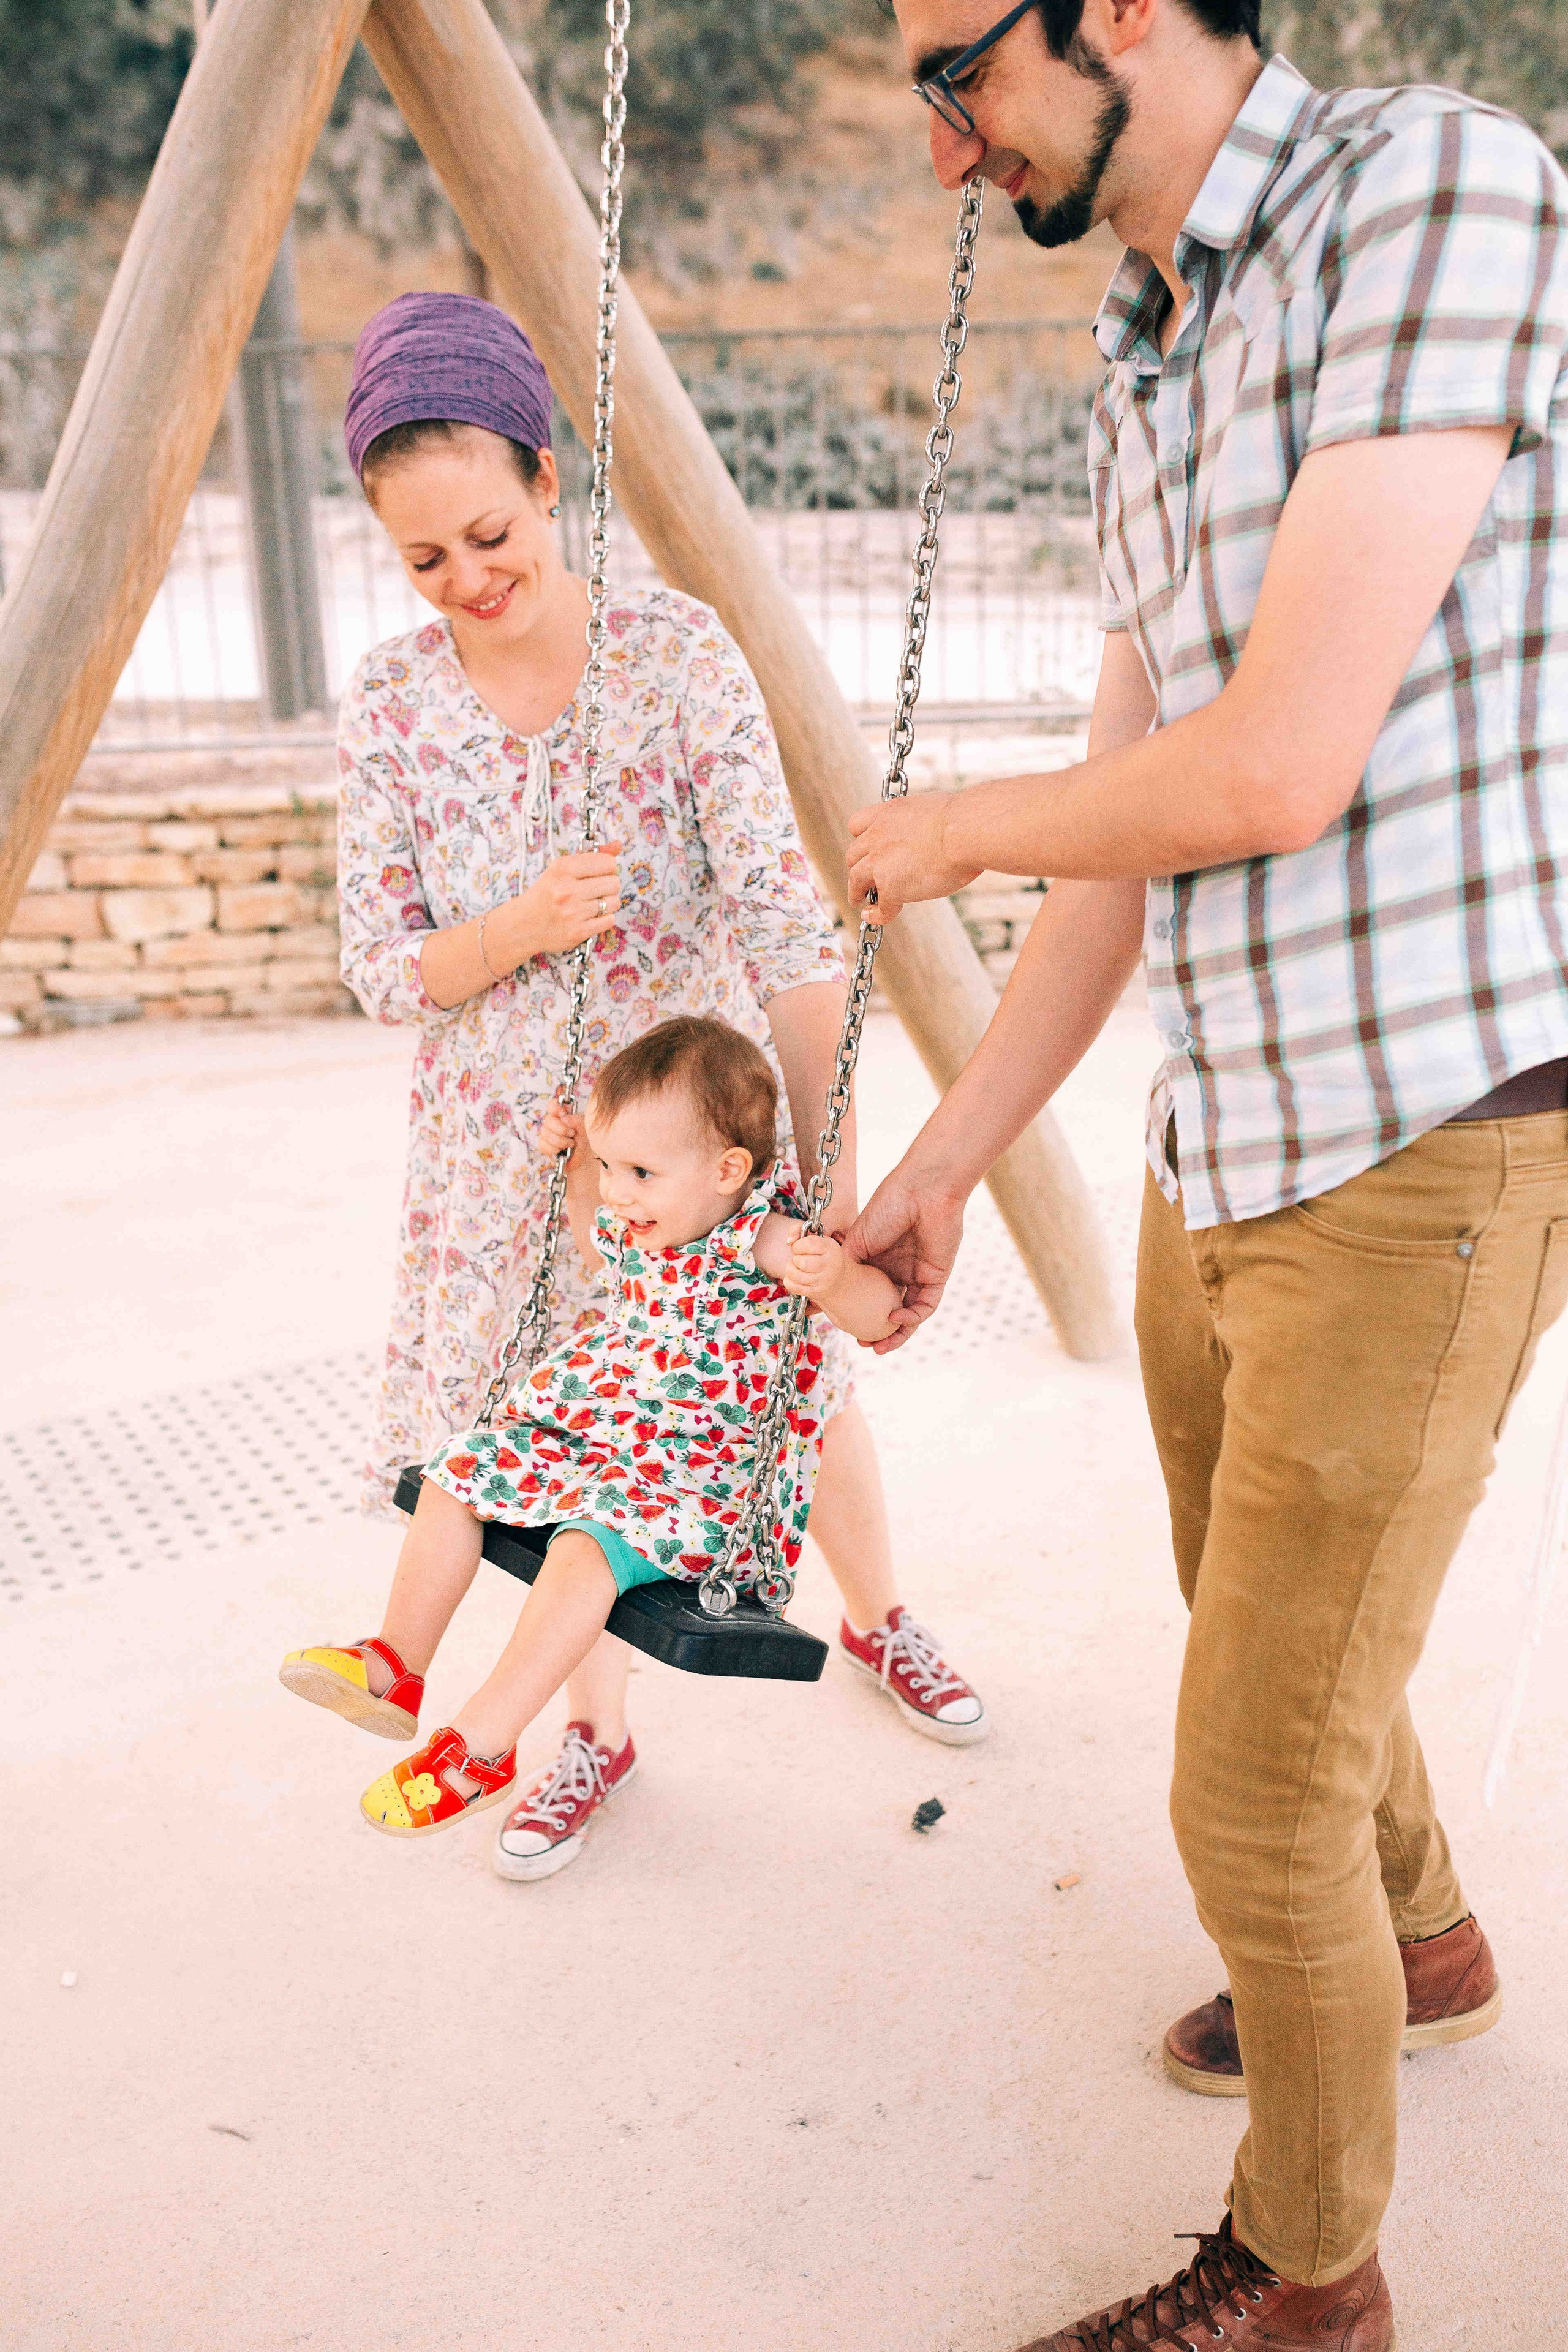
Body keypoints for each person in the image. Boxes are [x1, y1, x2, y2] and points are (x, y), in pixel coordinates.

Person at [850, 2, 1568, 2345]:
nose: (944, 147)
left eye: (959, 73)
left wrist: (943, 820)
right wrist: (944, 1160)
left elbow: (1274, 771)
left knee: (1250, 1791)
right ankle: (1416, 1945)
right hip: (1228, 1124)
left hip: (1430, 1132)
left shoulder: (1429, 193)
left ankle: (1308, 2280)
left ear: (1122, 9)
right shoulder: (1148, 337)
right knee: (1263, 1642)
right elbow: (1121, 858)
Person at [333, 292, 986, 1876]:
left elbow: (786, 921)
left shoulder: (671, 654)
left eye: (490, 534)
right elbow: (379, 963)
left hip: (689, 1139)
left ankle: (880, 1616)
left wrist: (828, 1170)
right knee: (557, 1448)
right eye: (426, 562)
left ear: (549, 481)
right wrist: (511, 930)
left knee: (780, 1385)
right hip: (506, 1152)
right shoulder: (396, 704)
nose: (469, 583)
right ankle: (589, 1736)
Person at [282, 1017, 902, 1848]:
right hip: (598, 1437)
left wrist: (840, 1278)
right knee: (454, 1475)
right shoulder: (640, 1221)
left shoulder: (761, 1238)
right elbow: (588, 1230)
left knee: (583, 1552)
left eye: (639, 1170)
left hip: (691, 1480)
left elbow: (876, 1315)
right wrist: (579, 1158)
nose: (618, 1191)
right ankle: (394, 1665)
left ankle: (482, 1747)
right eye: (614, 1167)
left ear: (727, 1172)